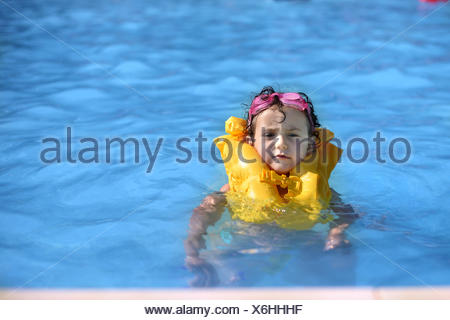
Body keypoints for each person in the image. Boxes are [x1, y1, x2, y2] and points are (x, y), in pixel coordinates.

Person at [185, 86, 357, 286]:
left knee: (339, 261)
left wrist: (337, 232)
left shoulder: (319, 187)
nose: (281, 144)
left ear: (310, 145)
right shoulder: (237, 188)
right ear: (250, 142)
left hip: (301, 243)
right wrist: (195, 237)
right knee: (221, 266)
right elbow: (208, 208)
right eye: (269, 135)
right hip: (247, 244)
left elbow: (346, 214)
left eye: (293, 136)